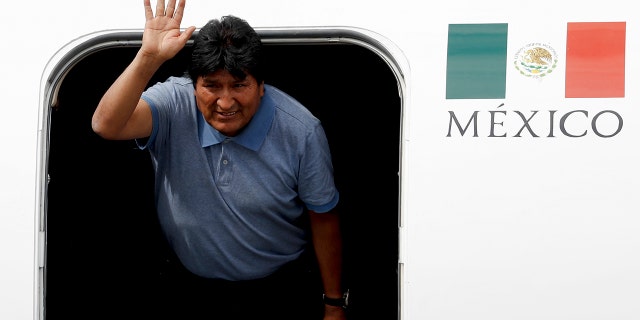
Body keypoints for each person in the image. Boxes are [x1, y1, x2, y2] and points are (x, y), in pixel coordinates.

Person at [91, 0, 348, 319]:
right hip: (189, 285)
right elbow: (106, 125)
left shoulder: (301, 131)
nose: (225, 102)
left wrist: (334, 303)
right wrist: (149, 57)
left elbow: (323, 216)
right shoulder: (174, 102)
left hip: (279, 288)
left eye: (239, 86)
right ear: (193, 85)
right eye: (211, 87)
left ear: (261, 86)